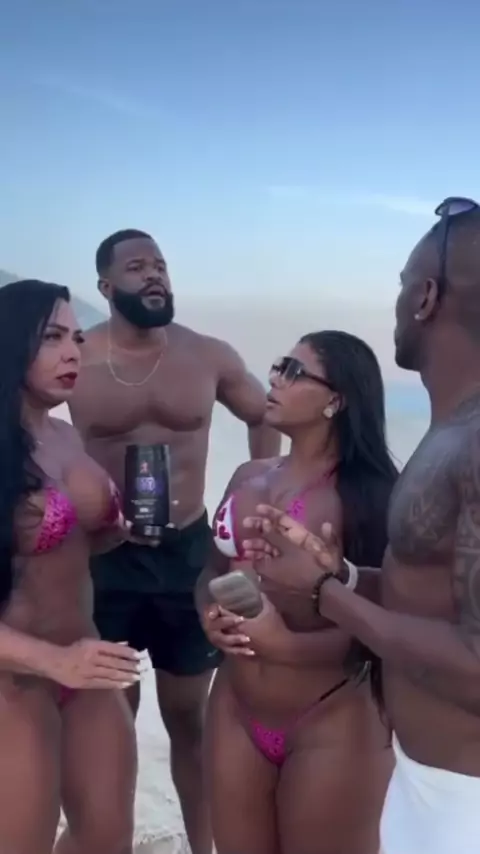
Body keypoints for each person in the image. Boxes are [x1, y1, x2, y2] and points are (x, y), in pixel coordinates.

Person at [241, 198, 480, 854]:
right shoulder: (452, 430)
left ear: (426, 297)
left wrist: (325, 596)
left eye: (401, 285)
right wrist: (342, 574)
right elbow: (436, 597)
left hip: (464, 803)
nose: (395, 303)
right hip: (425, 779)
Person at [68, 229, 280, 854]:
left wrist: (253, 493)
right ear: (106, 286)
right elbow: (27, 428)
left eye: (159, 265)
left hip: (187, 553)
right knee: (113, 720)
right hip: (105, 558)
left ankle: (201, 847)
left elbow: (263, 415)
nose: (155, 275)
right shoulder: (79, 358)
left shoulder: (207, 355)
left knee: (190, 718)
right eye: (137, 267)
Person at [196, 330, 398, 854]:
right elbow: (211, 569)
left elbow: (387, 630)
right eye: (277, 365)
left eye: (293, 371)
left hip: (329, 718)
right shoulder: (248, 475)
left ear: (336, 401)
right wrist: (207, 615)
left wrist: (286, 645)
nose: (274, 379)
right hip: (235, 708)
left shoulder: (369, 496)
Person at [0, 279, 141, 854]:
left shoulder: (64, 434)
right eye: (53, 338)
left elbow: (66, 553)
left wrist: (112, 533)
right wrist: (54, 661)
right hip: (14, 681)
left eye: (78, 339)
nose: (72, 353)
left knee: (106, 838)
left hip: (85, 664)